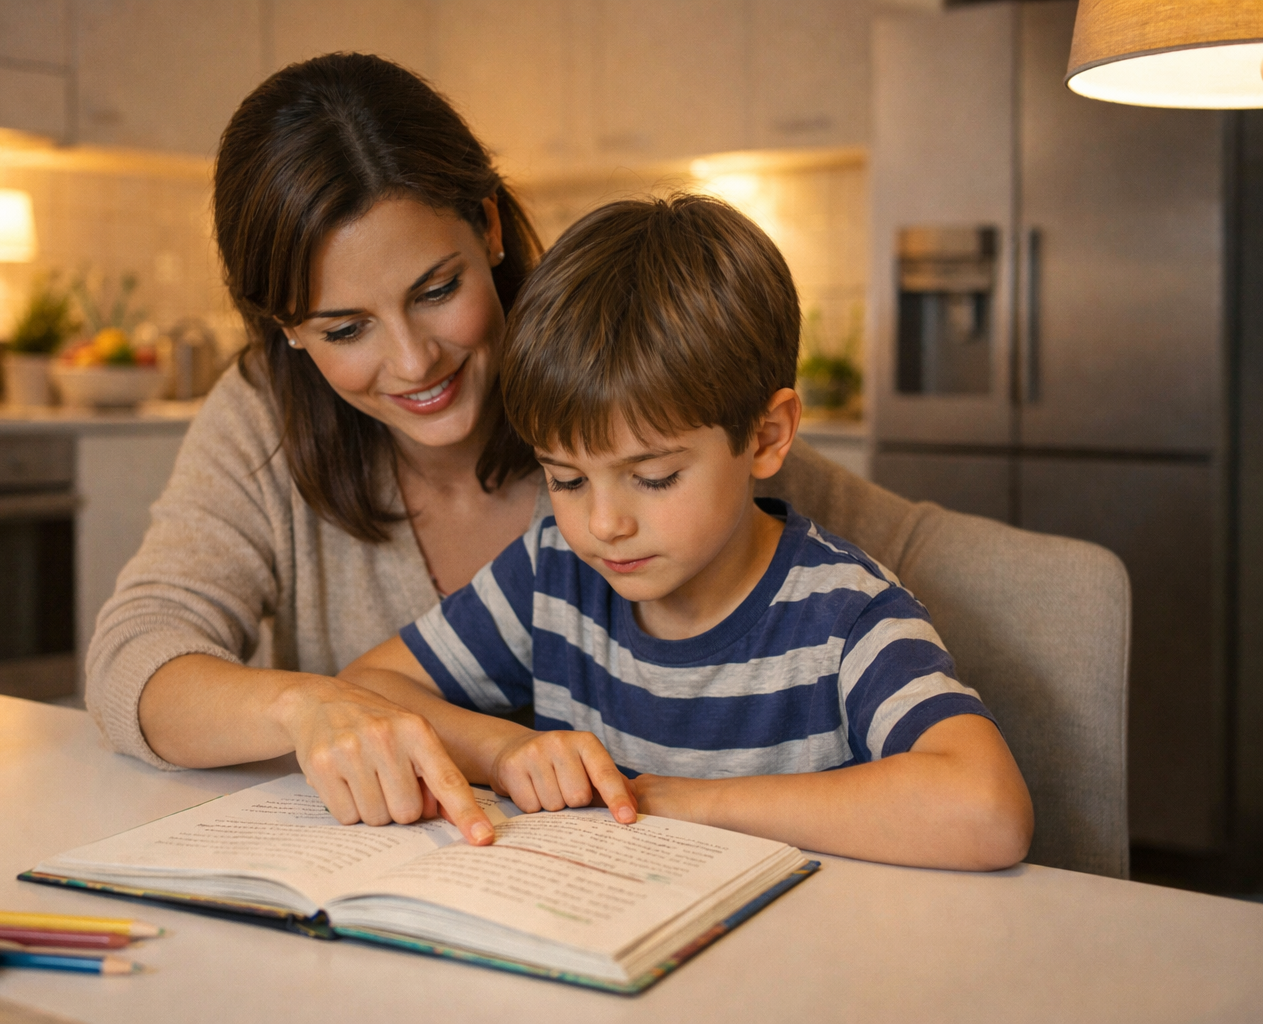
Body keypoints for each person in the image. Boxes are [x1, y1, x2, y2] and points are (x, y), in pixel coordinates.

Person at [339, 195, 1035, 870]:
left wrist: (692, 803)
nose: (602, 524)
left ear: (765, 437)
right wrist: (501, 750)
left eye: (655, 477)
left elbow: (988, 811)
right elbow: (368, 686)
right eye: (568, 479)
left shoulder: (844, 615)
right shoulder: (554, 573)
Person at [85, 53, 546, 844]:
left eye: (436, 290)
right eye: (344, 328)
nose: (412, 361)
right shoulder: (263, 419)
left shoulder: (611, 369)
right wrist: (306, 705)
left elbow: (817, 525)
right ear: (287, 329)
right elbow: (136, 656)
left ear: (490, 225)